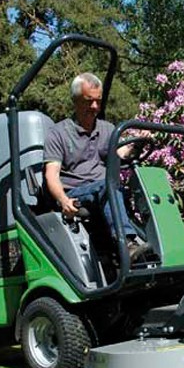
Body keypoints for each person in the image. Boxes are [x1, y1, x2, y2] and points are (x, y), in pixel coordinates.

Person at [43, 72, 148, 260]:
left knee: (136, 188)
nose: (94, 107)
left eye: (98, 101)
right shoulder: (58, 133)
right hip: (76, 192)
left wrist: (137, 144)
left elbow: (121, 154)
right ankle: (127, 244)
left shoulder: (107, 129)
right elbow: (52, 174)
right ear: (75, 100)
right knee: (108, 185)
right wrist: (63, 200)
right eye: (88, 101)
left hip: (105, 188)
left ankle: (157, 247)